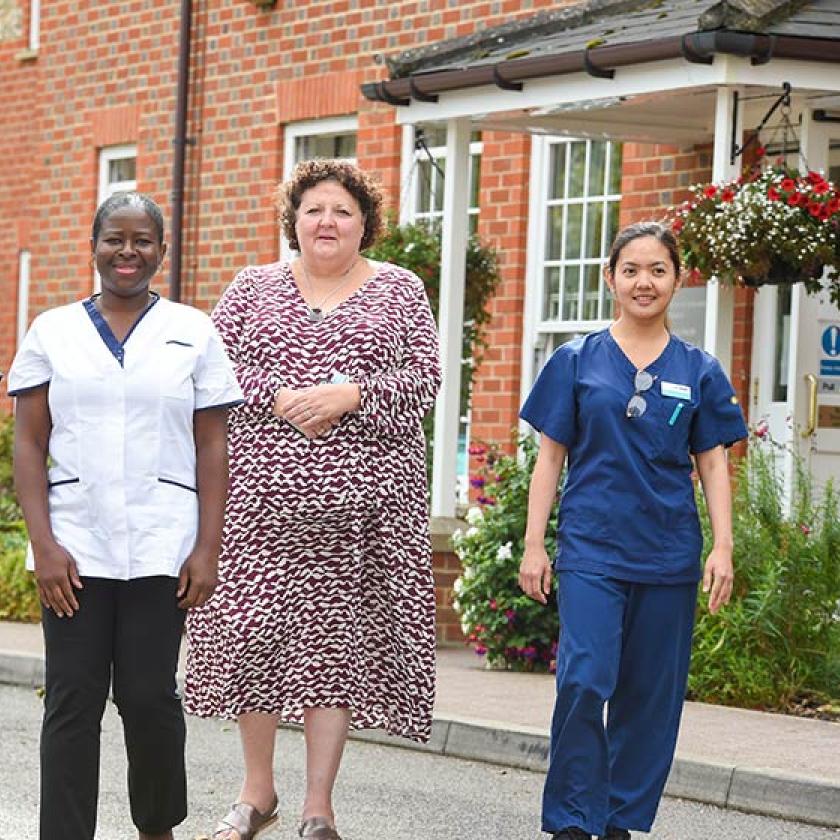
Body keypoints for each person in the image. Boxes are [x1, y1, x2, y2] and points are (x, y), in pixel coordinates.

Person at [184, 158, 441, 840]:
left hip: (361, 518)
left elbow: (425, 381)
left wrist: (351, 394)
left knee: (335, 651)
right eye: (314, 210)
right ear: (293, 221)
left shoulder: (402, 292)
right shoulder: (250, 287)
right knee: (253, 641)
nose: (327, 221)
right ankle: (256, 793)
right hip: (257, 514)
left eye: (342, 211)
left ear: (366, 225)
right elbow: (210, 369)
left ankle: (317, 808)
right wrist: (277, 397)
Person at [8, 192, 243, 840]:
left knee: (148, 698)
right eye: (116, 238)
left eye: (143, 240)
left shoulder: (193, 331)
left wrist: (207, 547)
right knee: (72, 702)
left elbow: (212, 443)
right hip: (74, 547)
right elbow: (28, 442)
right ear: (94, 246)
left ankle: (157, 826)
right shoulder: (52, 332)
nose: (128, 252)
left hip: (162, 544)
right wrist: (44, 544)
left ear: (162, 252)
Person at [518, 221, 748, 840]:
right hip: (592, 547)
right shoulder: (575, 360)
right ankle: (571, 819)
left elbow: (713, 462)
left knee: (650, 697)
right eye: (631, 271)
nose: (644, 282)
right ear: (610, 278)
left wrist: (722, 547)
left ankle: (619, 820)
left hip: (669, 553)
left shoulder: (699, 370)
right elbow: (550, 457)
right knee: (586, 677)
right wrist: (535, 543)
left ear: (678, 278)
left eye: (658, 271)